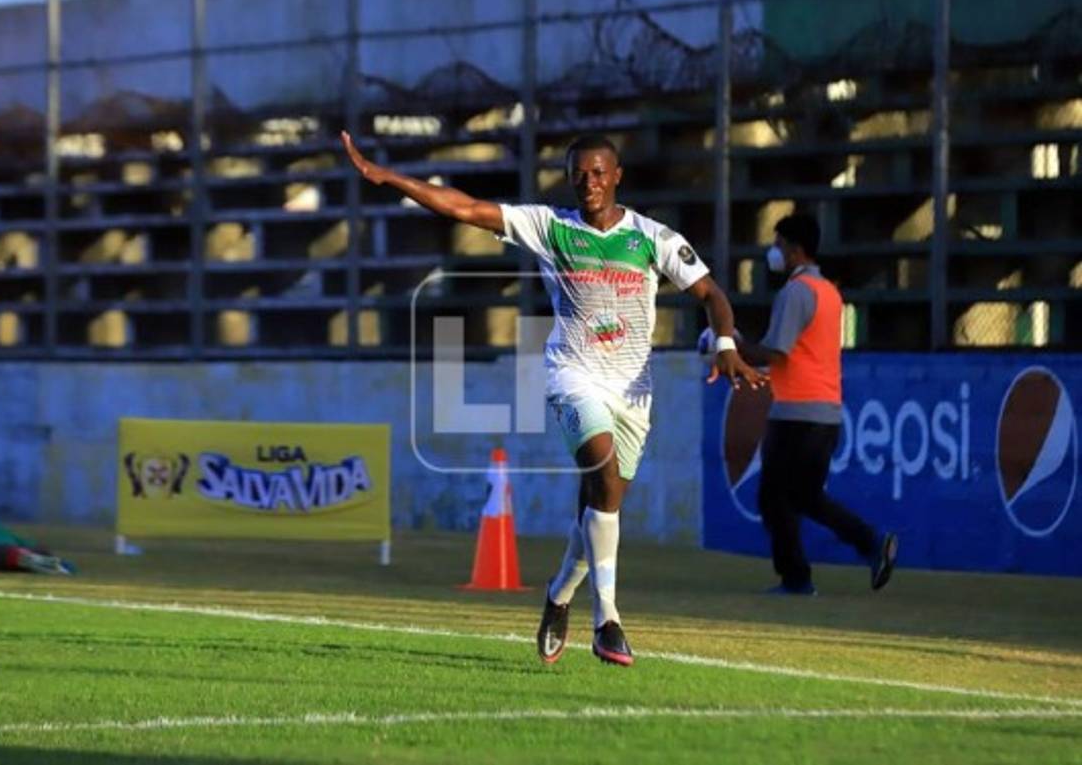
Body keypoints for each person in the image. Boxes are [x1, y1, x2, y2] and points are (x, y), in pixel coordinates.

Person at [343, 131, 765, 666]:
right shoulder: (550, 227)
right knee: (603, 475)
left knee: (601, 506)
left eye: (598, 173)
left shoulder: (652, 238)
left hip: (633, 391)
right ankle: (607, 621)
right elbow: (465, 208)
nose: (588, 183)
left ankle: (559, 594)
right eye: (578, 174)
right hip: (573, 375)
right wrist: (389, 178)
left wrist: (725, 343)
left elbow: (711, 294)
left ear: (616, 176)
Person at [735, 214, 896, 595]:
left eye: (778, 245)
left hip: (795, 412)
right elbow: (803, 352)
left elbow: (777, 351)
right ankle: (871, 543)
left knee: (774, 498)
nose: (774, 252)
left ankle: (797, 578)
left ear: (795, 250)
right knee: (804, 495)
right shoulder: (828, 292)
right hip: (825, 412)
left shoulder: (795, 292)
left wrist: (733, 346)